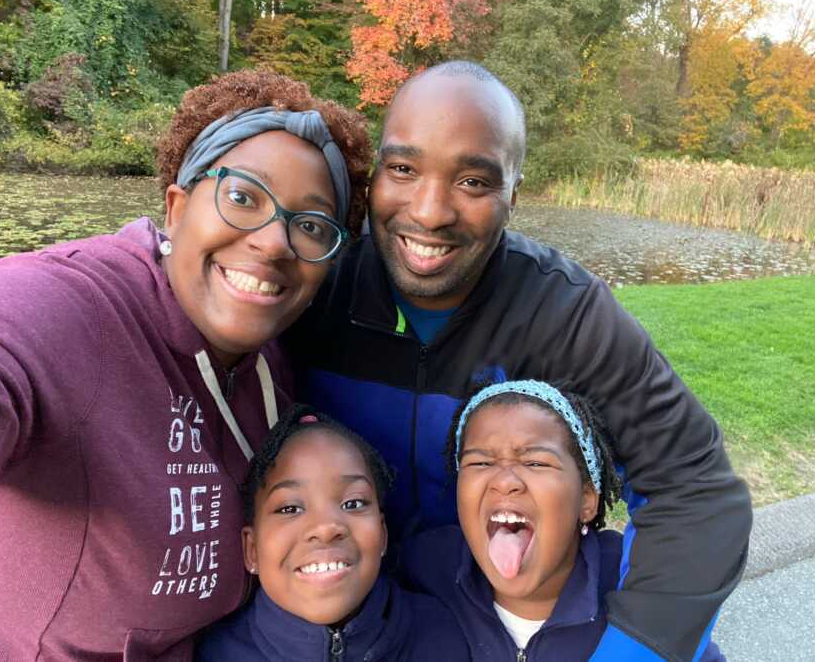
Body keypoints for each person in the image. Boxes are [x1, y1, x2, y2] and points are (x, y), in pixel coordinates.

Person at [287, 60, 752, 660]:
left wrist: (631, 652)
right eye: (403, 168)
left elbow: (693, 490)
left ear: (514, 195)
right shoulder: (316, 287)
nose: (429, 212)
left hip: (529, 623)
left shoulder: (567, 315)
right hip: (370, 624)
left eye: (474, 182)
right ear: (374, 175)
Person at [0, 70, 371, 659]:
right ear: (176, 207)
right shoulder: (73, 308)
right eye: (242, 196)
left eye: (311, 225)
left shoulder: (270, 361)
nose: (274, 243)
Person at [401, 380, 724, 661]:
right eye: (481, 462)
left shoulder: (636, 588)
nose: (504, 480)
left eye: (536, 462)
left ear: (586, 500)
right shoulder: (423, 568)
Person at [195, 404, 467, 661]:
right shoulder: (217, 653)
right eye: (289, 508)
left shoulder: (444, 636)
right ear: (252, 550)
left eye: (353, 503)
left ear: (383, 534)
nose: (325, 528)